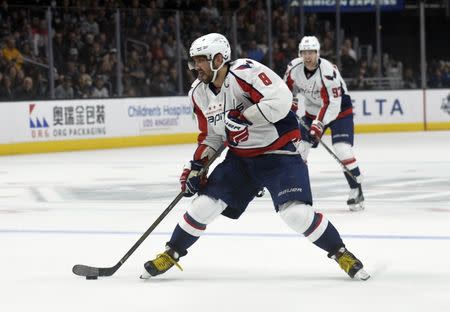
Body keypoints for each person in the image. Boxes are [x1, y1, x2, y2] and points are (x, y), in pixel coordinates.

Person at [141, 33, 369, 281]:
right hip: (240, 160)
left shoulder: (246, 72)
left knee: (295, 214)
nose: (195, 66)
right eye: (193, 61)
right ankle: (171, 252)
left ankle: (341, 253)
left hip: (279, 154)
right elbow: (211, 137)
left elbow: (282, 100)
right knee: (203, 205)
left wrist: (246, 116)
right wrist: (195, 167)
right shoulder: (198, 93)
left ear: (218, 59)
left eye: (200, 60)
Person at [284, 36, 365, 211]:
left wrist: (318, 125)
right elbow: (287, 90)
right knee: (299, 150)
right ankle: (298, 192)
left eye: (311, 52)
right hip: (313, 110)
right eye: (304, 52)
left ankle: (356, 189)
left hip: (340, 111)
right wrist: (290, 106)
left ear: (317, 53)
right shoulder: (293, 68)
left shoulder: (328, 72)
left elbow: (331, 104)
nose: (307, 56)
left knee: (342, 149)